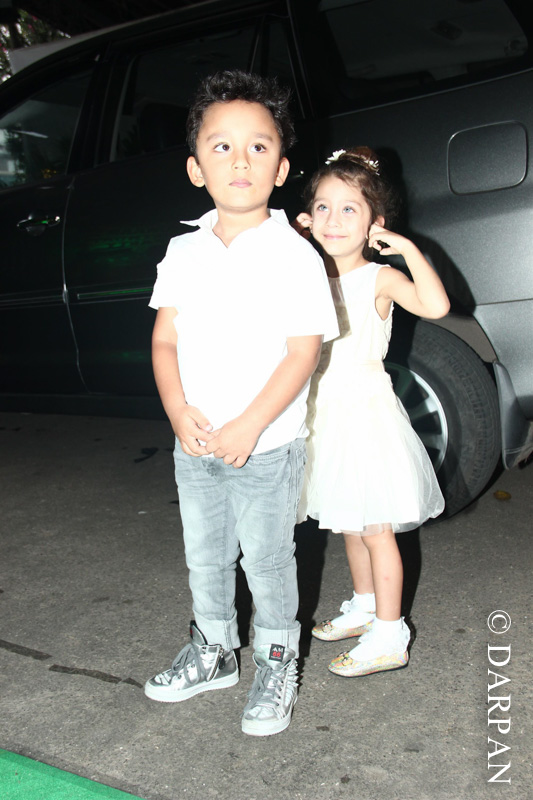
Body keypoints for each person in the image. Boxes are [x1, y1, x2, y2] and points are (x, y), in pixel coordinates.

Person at [143, 70, 338, 736]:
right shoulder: (183, 251)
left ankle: (277, 660)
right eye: (220, 146)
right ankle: (214, 650)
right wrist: (177, 411)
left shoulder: (295, 255)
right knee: (205, 555)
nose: (239, 160)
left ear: (280, 168)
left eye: (258, 146)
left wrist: (251, 425)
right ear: (196, 168)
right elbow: (165, 339)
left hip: (267, 446)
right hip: (195, 442)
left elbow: (302, 352)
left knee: (268, 559)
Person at [296, 146, 450, 677]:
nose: (333, 219)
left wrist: (406, 249)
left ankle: (390, 633)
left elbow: (436, 306)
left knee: (375, 528)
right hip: (323, 413)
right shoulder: (310, 274)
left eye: (349, 209)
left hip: (363, 415)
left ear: (373, 224)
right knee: (347, 522)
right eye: (322, 207)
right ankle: (365, 606)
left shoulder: (378, 277)